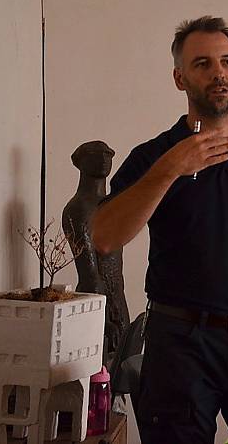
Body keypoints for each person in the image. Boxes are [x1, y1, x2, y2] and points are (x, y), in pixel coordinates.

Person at [91, 16, 228, 444]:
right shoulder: (154, 155)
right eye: (203, 64)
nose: (218, 74)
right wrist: (171, 169)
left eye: (227, 62)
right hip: (179, 347)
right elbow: (104, 236)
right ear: (180, 78)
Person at [62, 140, 129, 360]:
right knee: (98, 366)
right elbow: (88, 272)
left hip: (116, 295)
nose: (103, 158)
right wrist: (104, 314)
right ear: (80, 162)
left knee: (118, 364)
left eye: (107, 154)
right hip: (97, 299)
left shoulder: (109, 205)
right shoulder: (78, 208)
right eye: (95, 154)